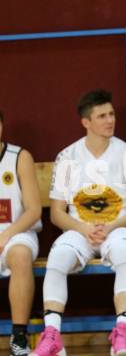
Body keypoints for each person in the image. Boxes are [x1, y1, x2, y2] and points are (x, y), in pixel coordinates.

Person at [30, 89, 126, 356]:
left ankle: (122, 332)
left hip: (118, 228)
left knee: (123, 253)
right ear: (86, 122)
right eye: (102, 116)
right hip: (79, 230)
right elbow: (57, 214)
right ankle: (52, 336)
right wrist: (84, 228)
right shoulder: (67, 157)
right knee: (58, 256)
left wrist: (110, 227)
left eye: (112, 114)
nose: (110, 120)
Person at [0, 110, 42, 356]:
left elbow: (34, 210)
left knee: (20, 255)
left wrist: (5, 236)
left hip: (18, 231)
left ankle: (19, 335)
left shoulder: (19, 157)